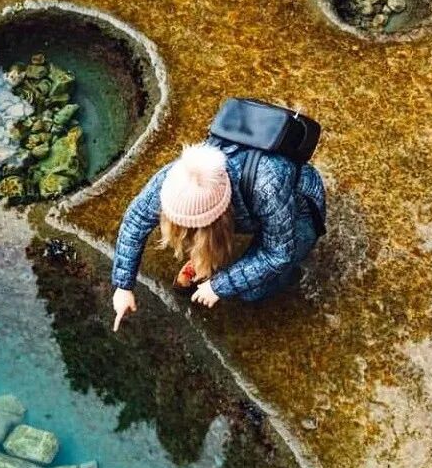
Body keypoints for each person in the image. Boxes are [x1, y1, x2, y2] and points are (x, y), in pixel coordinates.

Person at [111, 138, 326, 331]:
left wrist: (219, 286)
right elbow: (135, 220)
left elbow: (278, 254)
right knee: (208, 243)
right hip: (250, 208)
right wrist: (123, 286)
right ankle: (208, 257)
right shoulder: (178, 179)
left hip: (299, 209)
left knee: (252, 291)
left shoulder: (267, 187)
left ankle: (288, 278)